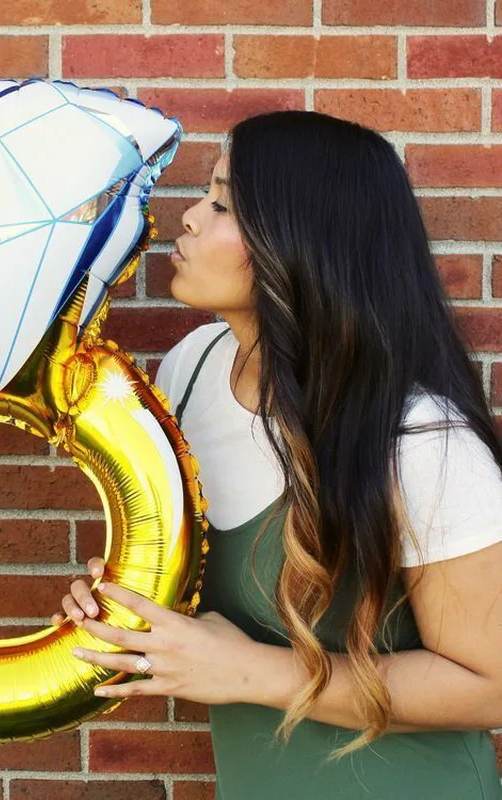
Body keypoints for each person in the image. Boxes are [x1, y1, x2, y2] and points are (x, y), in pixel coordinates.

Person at [49, 110, 502, 798]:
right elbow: (214, 604)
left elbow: (491, 686)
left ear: (301, 240)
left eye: (222, 204)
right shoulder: (191, 371)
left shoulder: (421, 441)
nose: (189, 217)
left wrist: (250, 671)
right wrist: (130, 608)